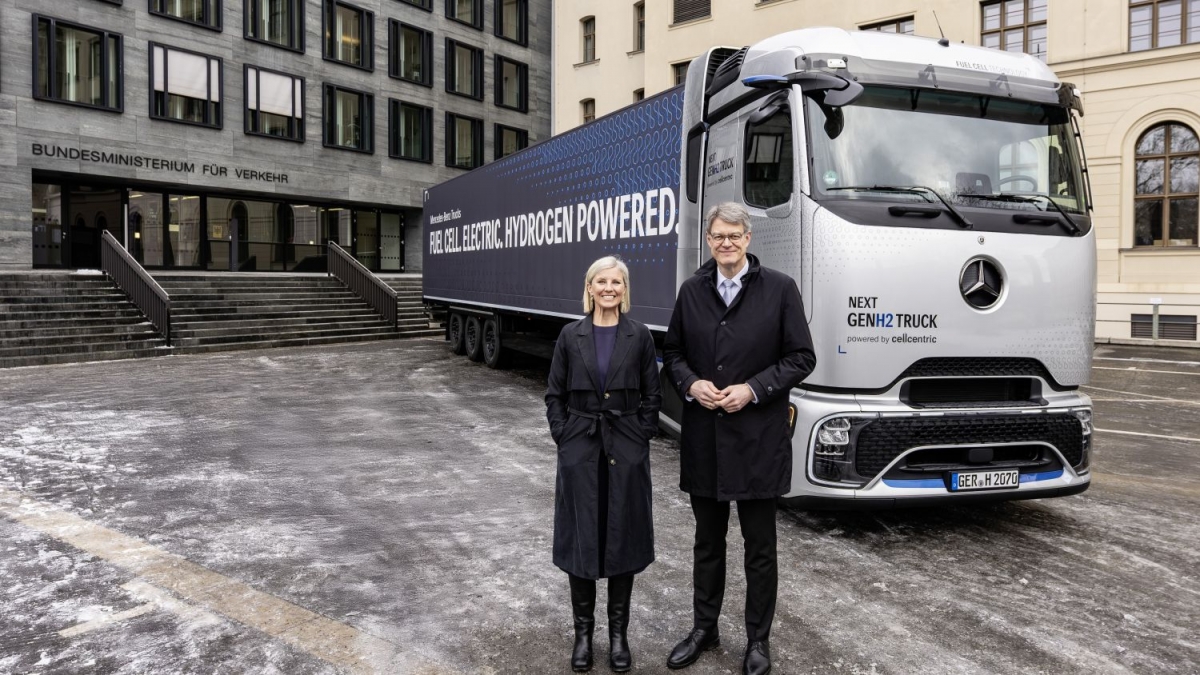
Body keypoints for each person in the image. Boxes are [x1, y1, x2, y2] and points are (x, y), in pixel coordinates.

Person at [662, 203, 816, 675]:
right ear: (708, 240)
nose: (725, 244)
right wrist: (691, 384)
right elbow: (672, 353)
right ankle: (704, 629)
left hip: (758, 442)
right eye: (717, 237)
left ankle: (757, 640)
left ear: (748, 239)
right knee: (707, 543)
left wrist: (754, 389)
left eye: (734, 236)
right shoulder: (692, 291)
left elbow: (801, 357)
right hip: (706, 439)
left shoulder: (780, 290)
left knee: (759, 548)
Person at [546, 256, 663, 673]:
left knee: (621, 538)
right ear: (590, 287)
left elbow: (653, 395)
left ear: (624, 289)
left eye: (616, 281)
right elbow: (554, 395)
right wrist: (564, 436)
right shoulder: (569, 335)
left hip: (625, 451)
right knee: (582, 538)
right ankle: (583, 636)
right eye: (601, 281)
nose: (609, 287)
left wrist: (640, 436)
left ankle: (617, 637)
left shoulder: (640, 336)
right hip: (580, 449)